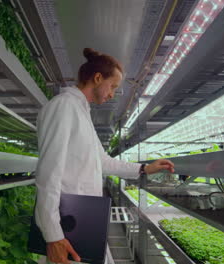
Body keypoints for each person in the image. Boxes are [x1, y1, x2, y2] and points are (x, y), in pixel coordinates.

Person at [35, 48, 175, 264]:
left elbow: (103, 161)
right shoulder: (63, 107)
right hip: (66, 225)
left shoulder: (82, 113)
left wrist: (144, 169)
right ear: (98, 78)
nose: (112, 94)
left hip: (82, 219)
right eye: (113, 86)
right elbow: (48, 174)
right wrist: (53, 235)